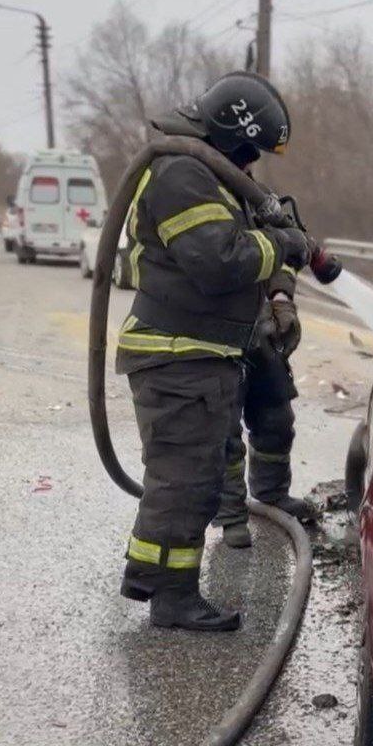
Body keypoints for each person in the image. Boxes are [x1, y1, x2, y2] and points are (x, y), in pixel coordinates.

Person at [115, 72, 310, 631]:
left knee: (192, 478)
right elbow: (219, 262)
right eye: (248, 148)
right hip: (177, 355)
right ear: (229, 132)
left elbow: (250, 248)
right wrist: (284, 245)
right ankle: (172, 597)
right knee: (183, 482)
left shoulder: (212, 177)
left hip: (200, 354)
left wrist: (279, 290)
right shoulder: (181, 175)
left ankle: (158, 580)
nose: (251, 161)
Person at [214, 238, 318, 550]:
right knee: (224, 426)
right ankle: (230, 514)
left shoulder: (252, 202)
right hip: (213, 324)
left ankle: (271, 493)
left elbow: (281, 250)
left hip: (256, 321)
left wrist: (281, 295)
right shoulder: (199, 197)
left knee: (276, 414)